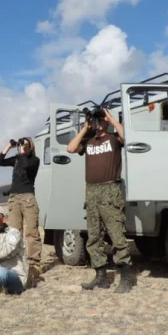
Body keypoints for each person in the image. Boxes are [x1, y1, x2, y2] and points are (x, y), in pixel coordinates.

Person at [66, 107, 135, 293]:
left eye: (99, 119)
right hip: (92, 192)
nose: (97, 123)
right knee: (93, 236)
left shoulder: (113, 139)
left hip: (110, 190)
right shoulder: (89, 141)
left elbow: (128, 137)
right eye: (95, 120)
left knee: (116, 235)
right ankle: (101, 277)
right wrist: (84, 128)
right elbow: (70, 148)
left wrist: (111, 119)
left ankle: (126, 277)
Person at [0, 137, 44, 279]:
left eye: (26, 145)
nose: (23, 147)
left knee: (31, 232)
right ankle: (16, 261)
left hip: (27, 197)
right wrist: (9, 146)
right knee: (15, 231)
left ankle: (34, 263)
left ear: (31, 147)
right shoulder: (17, 159)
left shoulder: (34, 160)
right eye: (22, 145)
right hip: (14, 199)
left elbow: (27, 165)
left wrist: (23, 151)